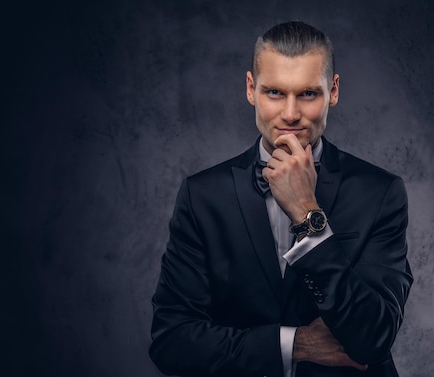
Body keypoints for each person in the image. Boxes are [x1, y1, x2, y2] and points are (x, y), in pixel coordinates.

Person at [149, 21, 413, 377]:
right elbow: (172, 342)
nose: (290, 114)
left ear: (333, 91)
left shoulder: (380, 192)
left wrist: (308, 213)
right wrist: (295, 344)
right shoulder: (202, 196)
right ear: (250, 89)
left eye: (307, 93)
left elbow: (374, 338)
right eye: (274, 92)